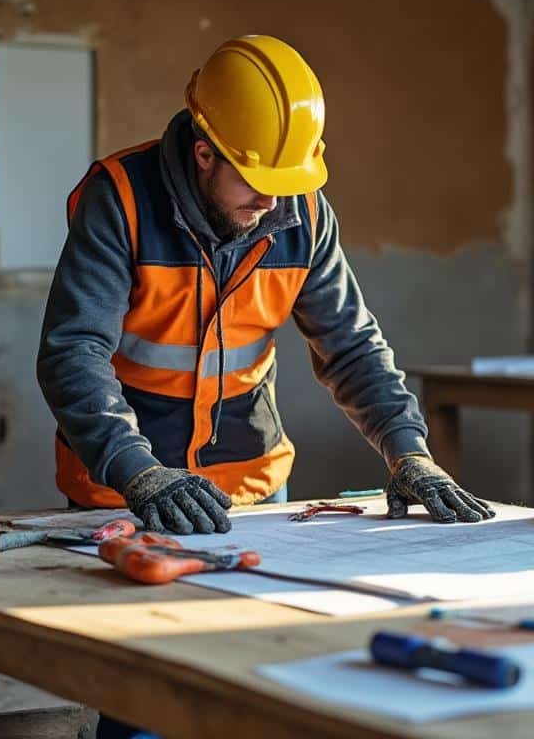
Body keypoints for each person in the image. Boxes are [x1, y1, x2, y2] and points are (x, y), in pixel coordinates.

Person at [37, 35, 494, 539]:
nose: (272, 204)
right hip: (123, 493)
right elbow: (73, 352)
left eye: (285, 183)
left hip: (253, 493)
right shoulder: (120, 200)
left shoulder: (305, 214)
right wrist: (136, 471)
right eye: (256, 181)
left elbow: (352, 349)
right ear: (205, 153)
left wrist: (409, 451)